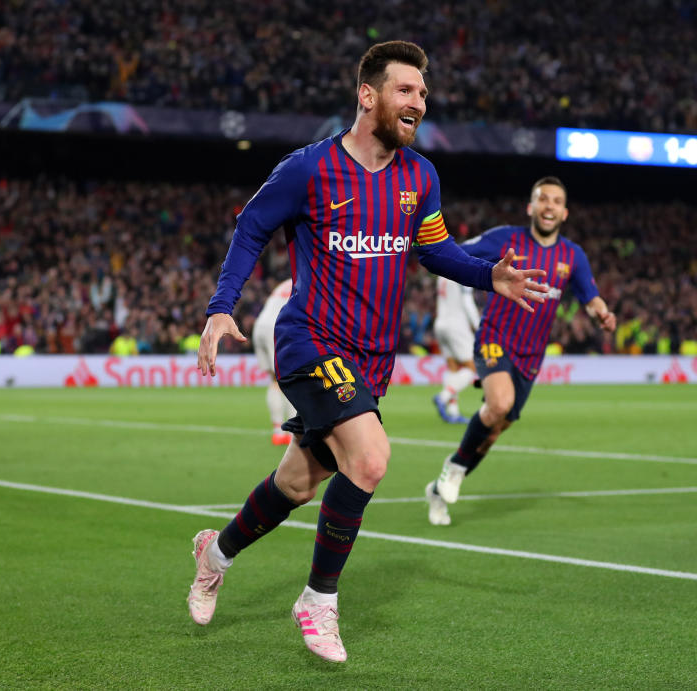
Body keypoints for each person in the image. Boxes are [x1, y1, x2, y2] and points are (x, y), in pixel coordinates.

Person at [187, 40, 547, 664]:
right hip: (310, 341)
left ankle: (214, 554)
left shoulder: (421, 177)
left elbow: (435, 250)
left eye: (424, 94)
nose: (418, 103)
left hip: (372, 359)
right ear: (368, 95)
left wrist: (491, 276)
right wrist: (223, 305)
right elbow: (251, 227)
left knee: (299, 482)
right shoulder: (309, 169)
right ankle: (318, 601)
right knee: (373, 459)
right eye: (406, 91)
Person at [423, 176, 616, 526]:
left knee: (494, 430)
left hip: (531, 356)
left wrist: (602, 313)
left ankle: (443, 484)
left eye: (556, 201)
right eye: (543, 199)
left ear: (565, 212)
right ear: (531, 207)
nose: (549, 206)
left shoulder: (573, 256)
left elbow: (591, 296)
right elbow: (456, 253)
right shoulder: (506, 239)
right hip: (495, 337)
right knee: (499, 403)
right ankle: (452, 471)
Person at [253, 277, 296, 444]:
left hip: (261, 326)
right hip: (277, 327)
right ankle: (291, 432)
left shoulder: (285, 282)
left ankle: (278, 431)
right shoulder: (309, 277)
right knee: (292, 379)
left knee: (275, 379)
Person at [432, 276, 479, 423]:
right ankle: (443, 397)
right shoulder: (461, 270)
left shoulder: (441, 275)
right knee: (472, 367)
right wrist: (478, 326)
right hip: (457, 324)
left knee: (453, 367)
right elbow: (467, 301)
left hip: (440, 323)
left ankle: (453, 412)